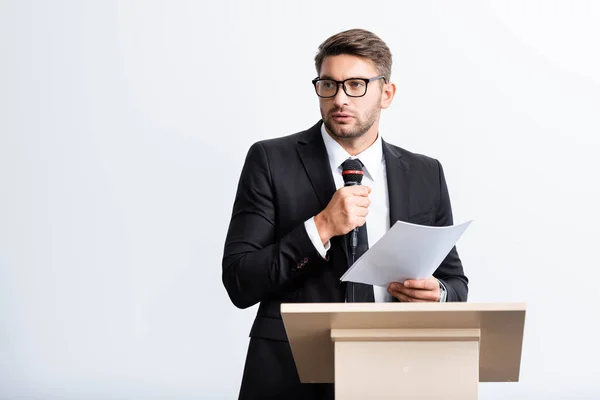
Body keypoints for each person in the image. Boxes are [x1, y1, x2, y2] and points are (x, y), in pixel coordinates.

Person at [222, 28, 468, 400]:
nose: (339, 98)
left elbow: (455, 283)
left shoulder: (424, 173)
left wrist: (439, 294)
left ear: (386, 93)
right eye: (328, 85)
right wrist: (320, 227)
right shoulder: (271, 161)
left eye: (355, 85)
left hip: (398, 373)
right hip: (291, 375)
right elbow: (240, 282)